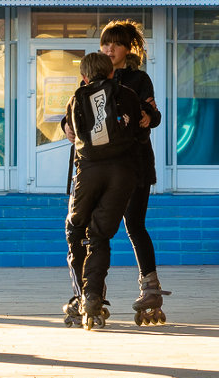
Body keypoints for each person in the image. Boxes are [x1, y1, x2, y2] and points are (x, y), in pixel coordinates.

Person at [66, 20, 166, 324]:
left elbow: (153, 113)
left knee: (134, 225)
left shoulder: (138, 80)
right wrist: (67, 126)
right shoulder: (91, 76)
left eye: (117, 44)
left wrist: (148, 116)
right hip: (96, 166)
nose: (110, 49)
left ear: (128, 48)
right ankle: (90, 290)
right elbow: (73, 112)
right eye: (105, 43)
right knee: (91, 233)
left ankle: (150, 286)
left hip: (132, 164)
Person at [63, 51, 144, 329]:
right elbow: (142, 130)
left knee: (76, 229)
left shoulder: (77, 97)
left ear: (84, 76)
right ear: (111, 72)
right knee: (99, 236)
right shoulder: (128, 95)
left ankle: (82, 295)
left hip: (89, 172)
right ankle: (94, 297)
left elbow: (72, 132)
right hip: (122, 173)